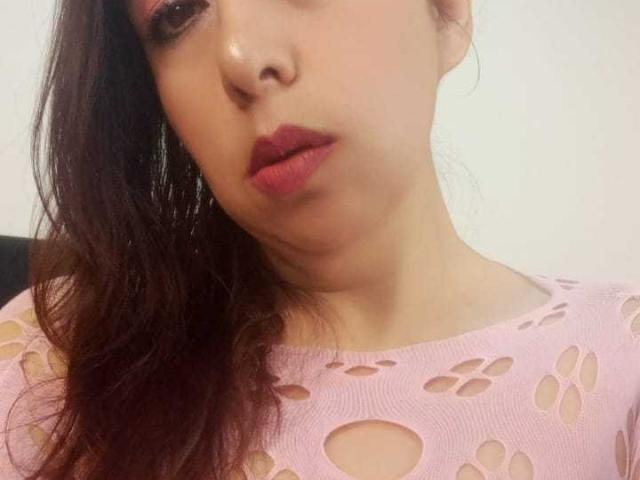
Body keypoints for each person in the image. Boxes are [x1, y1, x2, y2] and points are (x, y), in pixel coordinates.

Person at [1, 0, 638, 478]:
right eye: (175, 14)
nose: (241, 57)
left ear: (446, 10)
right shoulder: (56, 359)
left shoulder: (621, 360)